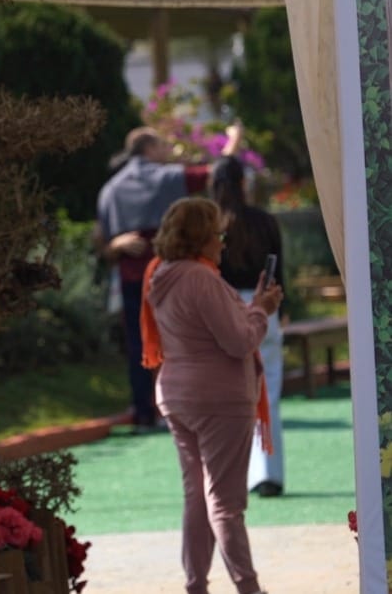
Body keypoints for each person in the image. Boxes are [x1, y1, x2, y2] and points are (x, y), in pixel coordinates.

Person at [141, 197, 282, 594]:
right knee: (225, 502)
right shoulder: (201, 279)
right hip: (219, 399)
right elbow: (239, 341)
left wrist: (254, 305)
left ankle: (196, 584)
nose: (222, 242)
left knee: (197, 498)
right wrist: (261, 312)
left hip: (178, 394)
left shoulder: (162, 274)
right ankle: (249, 587)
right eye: (217, 234)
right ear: (201, 237)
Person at [97, 124, 241, 430]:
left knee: (139, 344)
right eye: (163, 145)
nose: (169, 150)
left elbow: (102, 240)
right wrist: (233, 142)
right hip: (167, 274)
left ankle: (143, 410)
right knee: (177, 340)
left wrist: (117, 243)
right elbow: (218, 172)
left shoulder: (110, 189)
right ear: (149, 149)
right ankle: (173, 408)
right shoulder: (163, 177)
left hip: (130, 276)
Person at [211, 157, 287, 498]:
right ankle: (267, 472)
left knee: (225, 394)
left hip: (223, 309)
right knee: (267, 391)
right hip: (263, 304)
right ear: (244, 183)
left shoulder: (213, 224)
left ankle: (229, 473)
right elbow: (279, 269)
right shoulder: (263, 221)